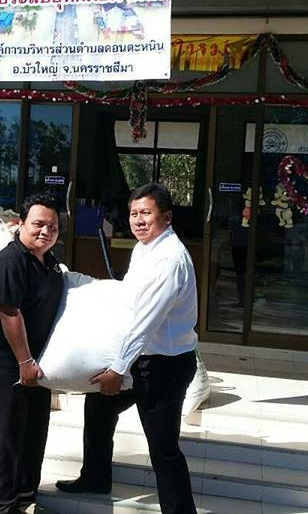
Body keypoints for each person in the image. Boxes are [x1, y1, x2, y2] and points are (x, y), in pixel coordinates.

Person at [56, 183, 199, 514]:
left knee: (163, 448)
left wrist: (117, 368)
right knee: (98, 407)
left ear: (166, 217)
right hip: (142, 359)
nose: (138, 220)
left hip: (164, 366)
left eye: (146, 213)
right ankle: (95, 477)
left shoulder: (169, 259)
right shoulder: (144, 249)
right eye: (134, 214)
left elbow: (146, 321)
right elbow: (130, 301)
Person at [0, 194, 64, 514]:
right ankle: (6, 505)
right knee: (7, 436)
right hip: (9, 363)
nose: (46, 231)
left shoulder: (50, 261)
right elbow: (9, 312)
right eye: (38, 224)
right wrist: (24, 361)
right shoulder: (11, 261)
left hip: (38, 363)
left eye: (52, 227)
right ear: (20, 224)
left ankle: (26, 496)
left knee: (34, 433)